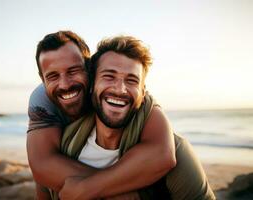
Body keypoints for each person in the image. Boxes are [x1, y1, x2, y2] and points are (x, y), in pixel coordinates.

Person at [57, 36, 216, 200]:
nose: (120, 89)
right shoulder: (66, 146)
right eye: (109, 76)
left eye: (131, 80)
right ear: (91, 85)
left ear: (143, 92)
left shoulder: (175, 150)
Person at [26, 31, 176, 199]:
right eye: (52, 76)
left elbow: (162, 154)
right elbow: (42, 164)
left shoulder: (119, 91)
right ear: (42, 78)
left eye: (73, 71)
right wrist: (122, 193)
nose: (65, 84)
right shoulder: (42, 99)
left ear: (89, 69)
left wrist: (90, 188)